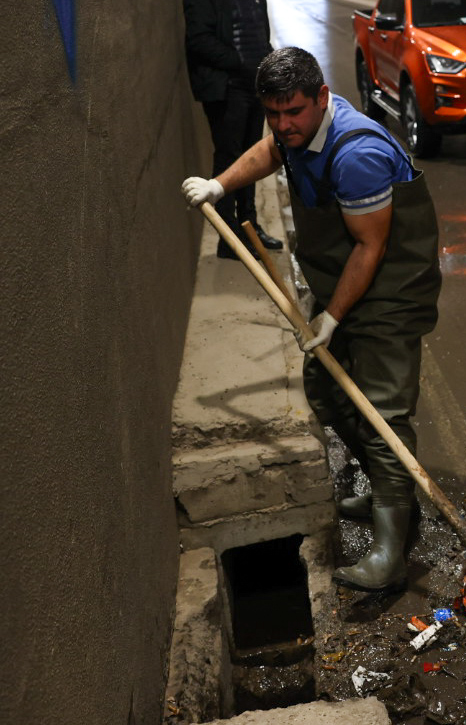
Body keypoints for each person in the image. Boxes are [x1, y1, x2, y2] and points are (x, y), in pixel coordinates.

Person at [181, 47, 442, 591]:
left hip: (389, 295)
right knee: (325, 390)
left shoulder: (356, 153)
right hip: (349, 287)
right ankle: (383, 482)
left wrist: (332, 317)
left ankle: (392, 549)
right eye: (274, 113)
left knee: (383, 417)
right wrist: (221, 185)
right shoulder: (294, 130)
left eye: (294, 112)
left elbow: (371, 248)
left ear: (322, 98)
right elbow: (269, 151)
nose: (283, 125)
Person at [182, 0, 283, 255]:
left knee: (251, 160)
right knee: (228, 161)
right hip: (226, 91)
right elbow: (200, 42)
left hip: (253, 88)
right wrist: (239, 61)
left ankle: (250, 229)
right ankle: (228, 240)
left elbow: (260, 33)